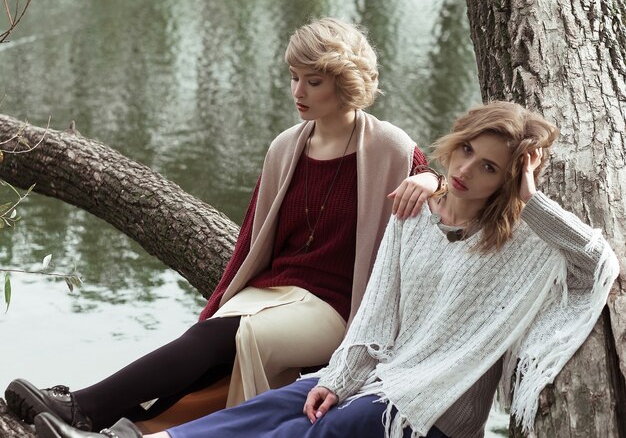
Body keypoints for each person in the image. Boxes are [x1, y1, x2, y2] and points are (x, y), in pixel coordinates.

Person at [32, 101, 620, 438]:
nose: (468, 169)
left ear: (508, 179)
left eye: (491, 167)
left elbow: (594, 264)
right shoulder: (414, 215)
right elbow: (375, 315)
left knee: (318, 431)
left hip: (429, 408)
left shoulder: (520, 243)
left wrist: (531, 193)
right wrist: (337, 377)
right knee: (279, 404)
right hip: (379, 376)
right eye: (466, 150)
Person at [5, 18, 439, 432]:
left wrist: (432, 178)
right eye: (293, 77)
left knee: (233, 336)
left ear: (344, 81)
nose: (298, 91)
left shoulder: (391, 149)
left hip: (338, 309)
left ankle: (83, 408)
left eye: (313, 80)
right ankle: (126, 429)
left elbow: (454, 210)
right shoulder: (285, 148)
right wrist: (213, 308)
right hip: (275, 290)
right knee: (211, 343)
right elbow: (250, 245)